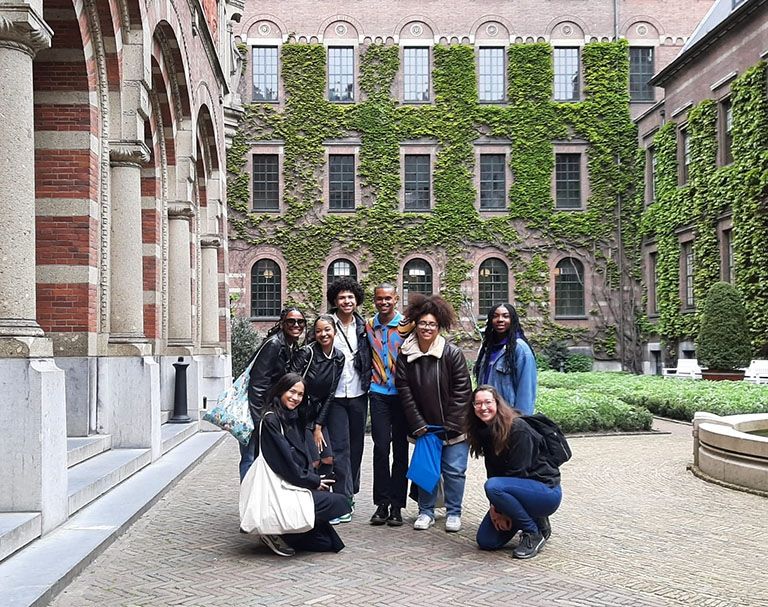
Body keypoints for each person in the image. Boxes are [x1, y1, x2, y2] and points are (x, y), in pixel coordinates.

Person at [395, 294, 472, 533]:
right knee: (426, 470)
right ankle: (425, 512)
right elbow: (404, 390)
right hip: (425, 427)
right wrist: (418, 423)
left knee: (454, 471)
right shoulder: (406, 355)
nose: (427, 328)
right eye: (423, 323)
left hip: (454, 428)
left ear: (439, 326)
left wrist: (451, 423)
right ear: (415, 324)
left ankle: (454, 512)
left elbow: (462, 391)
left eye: (432, 324)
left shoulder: (452, 353)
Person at [258, 373, 351, 556]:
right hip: (283, 489)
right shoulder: (271, 420)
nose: (295, 398)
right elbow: (285, 464)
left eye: (300, 394)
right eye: (292, 392)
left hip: (294, 483)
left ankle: (288, 531)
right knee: (339, 502)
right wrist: (313, 481)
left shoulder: (291, 417)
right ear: (281, 390)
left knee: (327, 542)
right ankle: (275, 528)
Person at [466, 385, 562, 559]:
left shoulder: (518, 428)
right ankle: (537, 520)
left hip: (545, 492)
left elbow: (518, 474)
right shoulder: (485, 432)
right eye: (478, 403)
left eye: (488, 402)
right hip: (513, 490)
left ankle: (532, 533)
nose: (483, 407)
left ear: (498, 403)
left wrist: (503, 509)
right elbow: (494, 474)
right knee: (486, 541)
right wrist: (495, 509)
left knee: (493, 486)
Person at [239, 306, 306, 481]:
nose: (296, 325)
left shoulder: (288, 345)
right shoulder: (275, 344)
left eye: (300, 322)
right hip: (256, 413)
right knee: (251, 457)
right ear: (282, 323)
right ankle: (248, 503)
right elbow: (257, 386)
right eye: (291, 321)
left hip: (266, 411)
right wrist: (259, 423)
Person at [365, 283, 413, 527]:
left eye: (388, 299)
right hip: (378, 393)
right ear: (375, 300)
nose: (383, 302)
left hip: (401, 394)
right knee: (381, 448)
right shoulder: (369, 325)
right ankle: (381, 504)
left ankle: (397, 506)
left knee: (401, 450)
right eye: (379, 299)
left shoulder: (408, 325)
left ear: (396, 299)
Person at [325, 277, 372, 523]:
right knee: (340, 448)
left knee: (356, 447)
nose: (346, 301)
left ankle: (350, 493)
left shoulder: (364, 326)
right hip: (335, 395)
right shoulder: (326, 324)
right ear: (335, 300)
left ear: (356, 300)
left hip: (358, 392)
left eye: (350, 297)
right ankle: (341, 501)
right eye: (342, 297)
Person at [289, 315, 345, 479]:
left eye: (327, 330)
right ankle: (311, 498)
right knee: (313, 461)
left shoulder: (339, 358)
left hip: (317, 415)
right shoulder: (307, 352)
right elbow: (289, 384)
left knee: (328, 459)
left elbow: (331, 394)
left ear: (335, 331)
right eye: (318, 331)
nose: (323, 334)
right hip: (299, 415)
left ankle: (324, 497)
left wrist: (319, 426)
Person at [474, 303, 537, 416]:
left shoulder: (520, 349)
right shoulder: (488, 348)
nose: (500, 320)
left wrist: (522, 421)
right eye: (495, 316)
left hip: (508, 417)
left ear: (513, 320)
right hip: (486, 414)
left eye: (505, 316)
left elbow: (526, 390)